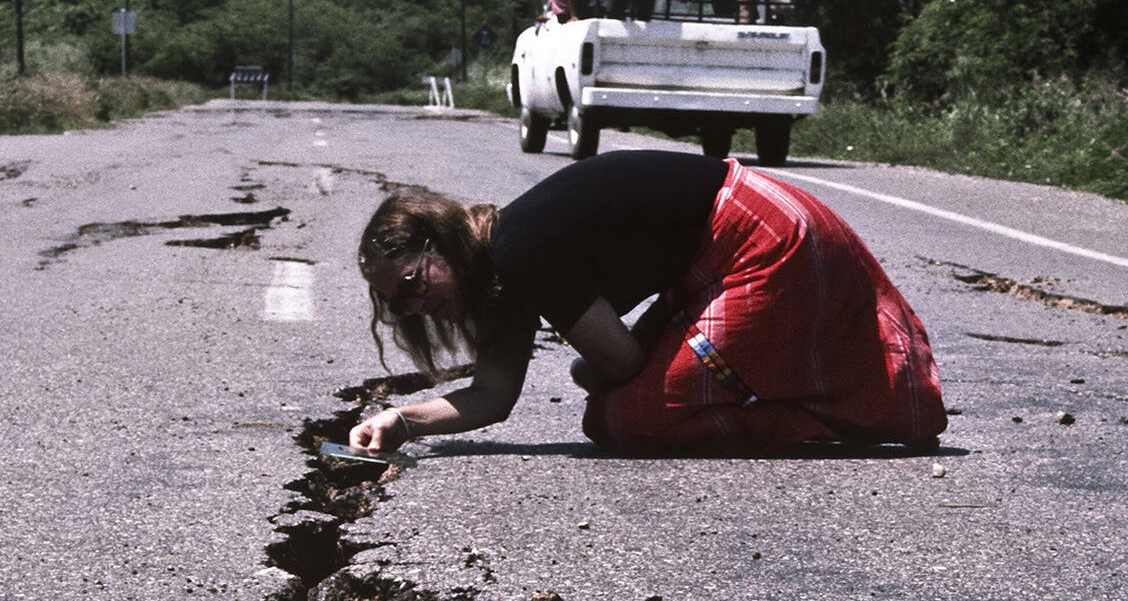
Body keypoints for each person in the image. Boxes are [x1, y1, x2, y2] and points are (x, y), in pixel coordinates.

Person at [348, 150, 947, 455]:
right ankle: (816, 398)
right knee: (623, 402)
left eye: (413, 284)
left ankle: (824, 419)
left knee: (625, 418)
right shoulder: (504, 268)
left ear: (441, 241)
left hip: (763, 239)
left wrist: (593, 369)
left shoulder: (520, 252)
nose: (414, 307)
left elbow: (623, 365)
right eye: (398, 305)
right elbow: (492, 396)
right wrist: (401, 422)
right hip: (731, 245)